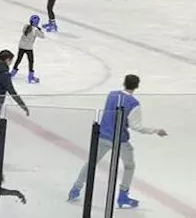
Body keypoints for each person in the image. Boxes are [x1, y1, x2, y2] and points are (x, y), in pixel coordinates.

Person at [68, 74, 168, 209]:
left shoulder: (112, 95)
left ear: (124, 82)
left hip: (103, 135)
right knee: (129, 166)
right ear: (137, 86)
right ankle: (123, 195)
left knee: (91, 163)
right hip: (120, 140)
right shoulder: (134, 103)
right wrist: (156, 130)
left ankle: (75, 189)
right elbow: (136, 126)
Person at [12, 15, 44, 84]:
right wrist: (39, 29)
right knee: (31, 61)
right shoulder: (35, 30)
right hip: (29, 48)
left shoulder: (26, 26)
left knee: (18, 59)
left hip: (21, 46)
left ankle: (12, 73)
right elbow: (42, 36)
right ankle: (30, 77)